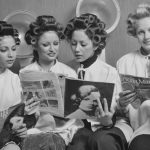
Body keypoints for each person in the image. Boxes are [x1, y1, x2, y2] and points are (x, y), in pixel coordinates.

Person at [64, 13, 132, 150]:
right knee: (77, 147)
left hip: (108, 125)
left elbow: (116, 109)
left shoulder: (109, 72)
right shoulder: (66, 69)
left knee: (102, 141)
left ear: (96, 45)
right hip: (79, 127)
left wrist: (107, 119)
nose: (77, 49)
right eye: (73, 43)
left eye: (83, 44)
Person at [20, 15, 84, 147]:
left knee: (51, 142)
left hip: (63, 130)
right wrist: (25, 110)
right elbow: (19, 112)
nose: (52, 49)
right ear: (35, 44)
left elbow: (77, 111)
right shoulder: (25, 73)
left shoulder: (69, 72)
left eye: (56, 44)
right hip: (35, 130)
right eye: (45, 45)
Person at [117, 3, 150, 150]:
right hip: (140, 128)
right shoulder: (124, 62)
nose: (147, 37)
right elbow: (119, 110)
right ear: (135, 33)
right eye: (141, 32)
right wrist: (122, 103)